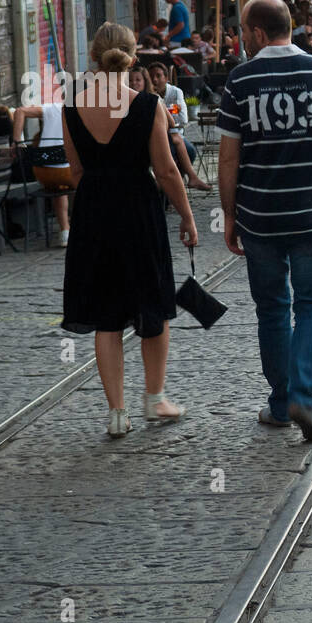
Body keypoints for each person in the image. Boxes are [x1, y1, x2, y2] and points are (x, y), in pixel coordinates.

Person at [217, 0, 312, 439]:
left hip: (260, 216)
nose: (241, 40)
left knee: (272, 308)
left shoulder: (239, 81)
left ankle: (280, 403)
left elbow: (227, 160)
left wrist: (229, 214)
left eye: (243, 31)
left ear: (258, 33)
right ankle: (305, 398)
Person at [62, 22, 196, 437]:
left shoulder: (72, 106)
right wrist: (188, 217)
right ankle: (155, 399)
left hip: (93, 213)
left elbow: (76, 170)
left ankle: (117, 413)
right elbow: (167, 170)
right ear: (133, 57)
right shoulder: (147, 104)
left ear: (93, 57)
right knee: (152, 302)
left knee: (106, 314)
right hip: (138, 210)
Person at [11, 101, 72, 247]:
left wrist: (17, 142)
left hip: (44, 173)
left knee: (59, 187)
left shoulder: (54, 108)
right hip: (69, 174)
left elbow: (20, 111)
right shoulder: (86, 110)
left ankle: (65, 231)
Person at [148, 63, 211, 191]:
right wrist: (171, 111)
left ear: (166, 78)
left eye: (158, 76)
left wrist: (163, 112)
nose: (155, 80)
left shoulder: (175, 92)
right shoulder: (147, 94)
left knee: (191, 151)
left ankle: (176, 185)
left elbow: (183, 119)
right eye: (151, 77)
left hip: (175, 133)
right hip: (157, 137)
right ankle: (175, 186)